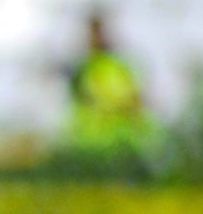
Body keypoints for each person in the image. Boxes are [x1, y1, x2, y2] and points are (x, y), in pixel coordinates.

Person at [63, 10, 156, 160]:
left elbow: (136, 99)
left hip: (121, 141)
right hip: (89, 143)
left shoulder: (120, 65)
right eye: (94, 32)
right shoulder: (80, 69)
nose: (97, 37)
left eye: (99, 32)